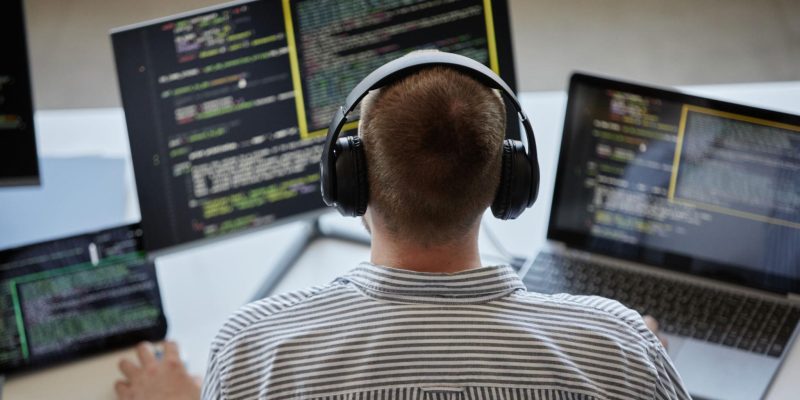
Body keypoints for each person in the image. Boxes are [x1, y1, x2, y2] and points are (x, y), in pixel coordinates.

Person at [114, 52, 689, 400]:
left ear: (350, 182)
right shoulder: (619, 345)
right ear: (508, 186)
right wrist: (612, 351)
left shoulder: (253, 352)